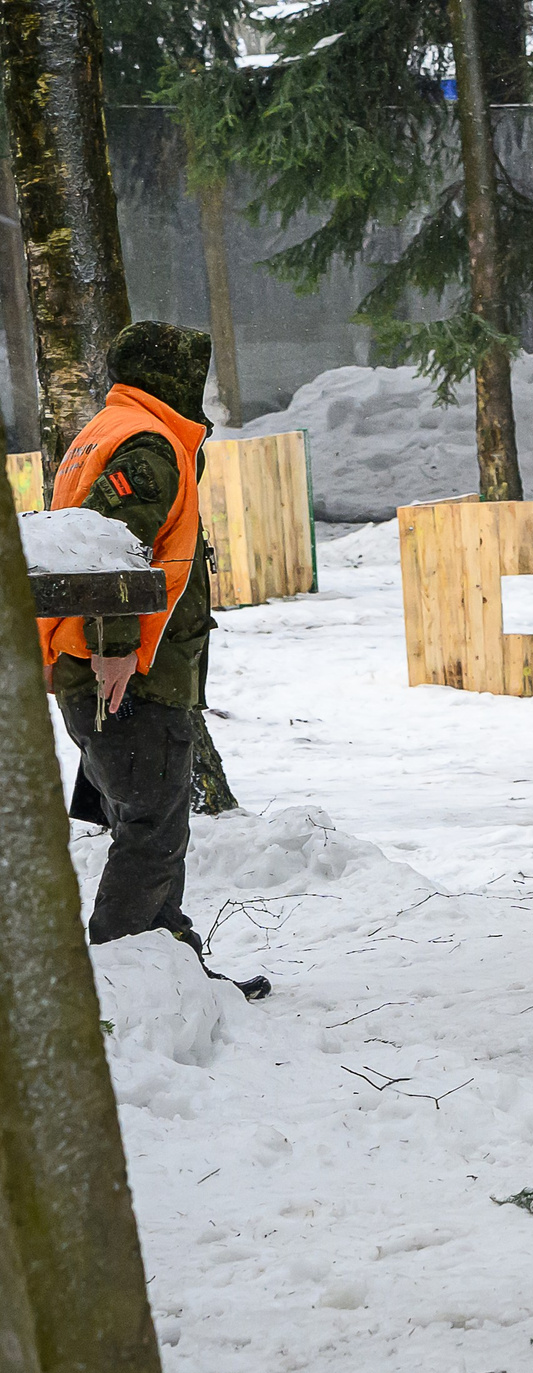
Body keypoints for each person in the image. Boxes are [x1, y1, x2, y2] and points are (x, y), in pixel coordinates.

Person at [36, 321, 266, 998]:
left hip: (118, 670)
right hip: (124, 676)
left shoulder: (113, 431)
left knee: (156, 822)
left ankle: (170, 976)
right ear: (171, 378)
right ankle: (122, 985)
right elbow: (107, 553)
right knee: (150, 830)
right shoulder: (146, 445)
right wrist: (112, 650)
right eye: (195, 376)